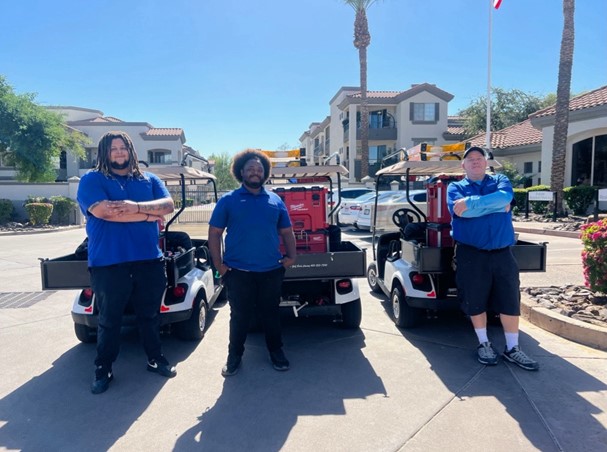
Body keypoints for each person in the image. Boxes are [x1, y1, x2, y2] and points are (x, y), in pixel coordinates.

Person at [77, 131, 177, 394]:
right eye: (113, 149)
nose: (119, 153)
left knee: (150, 315)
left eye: (123, 148)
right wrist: (147, 217)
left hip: (148, 262)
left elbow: (167, 205)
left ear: (131, 151)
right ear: (104, 153)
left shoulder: (149, 179)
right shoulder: (92, 179)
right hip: (109, 263)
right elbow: (105, 213)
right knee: (109, 320)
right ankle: (103, 368)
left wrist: (134, 206)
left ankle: (155, 359)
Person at [447, 146, 539, 371]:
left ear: (486, 162)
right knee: (474, 299)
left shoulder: (501, 180)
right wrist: (496, 207)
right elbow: (460, 212)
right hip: (472, 254)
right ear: (464, 165)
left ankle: (512, 348)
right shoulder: (455, 187)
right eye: (471, 159)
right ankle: (484, 344)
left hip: (502, 253)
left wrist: (472, 203)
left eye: (479, 158)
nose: (476, 162)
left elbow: (506, 198)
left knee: (509, 299)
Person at [208, 149, 297, 377]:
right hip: (238, 272)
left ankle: (276, 353)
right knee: (239, 316)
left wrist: (291, 257)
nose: (255, 172)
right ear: (241, 172)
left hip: (271, 271)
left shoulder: (275, 200)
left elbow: (286, 231)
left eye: (259, 169)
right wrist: (219, 266)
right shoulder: (228, 200)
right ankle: (234, 357)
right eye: (250, 169)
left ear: (264, 173)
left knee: (271, 314)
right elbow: (215, 233)